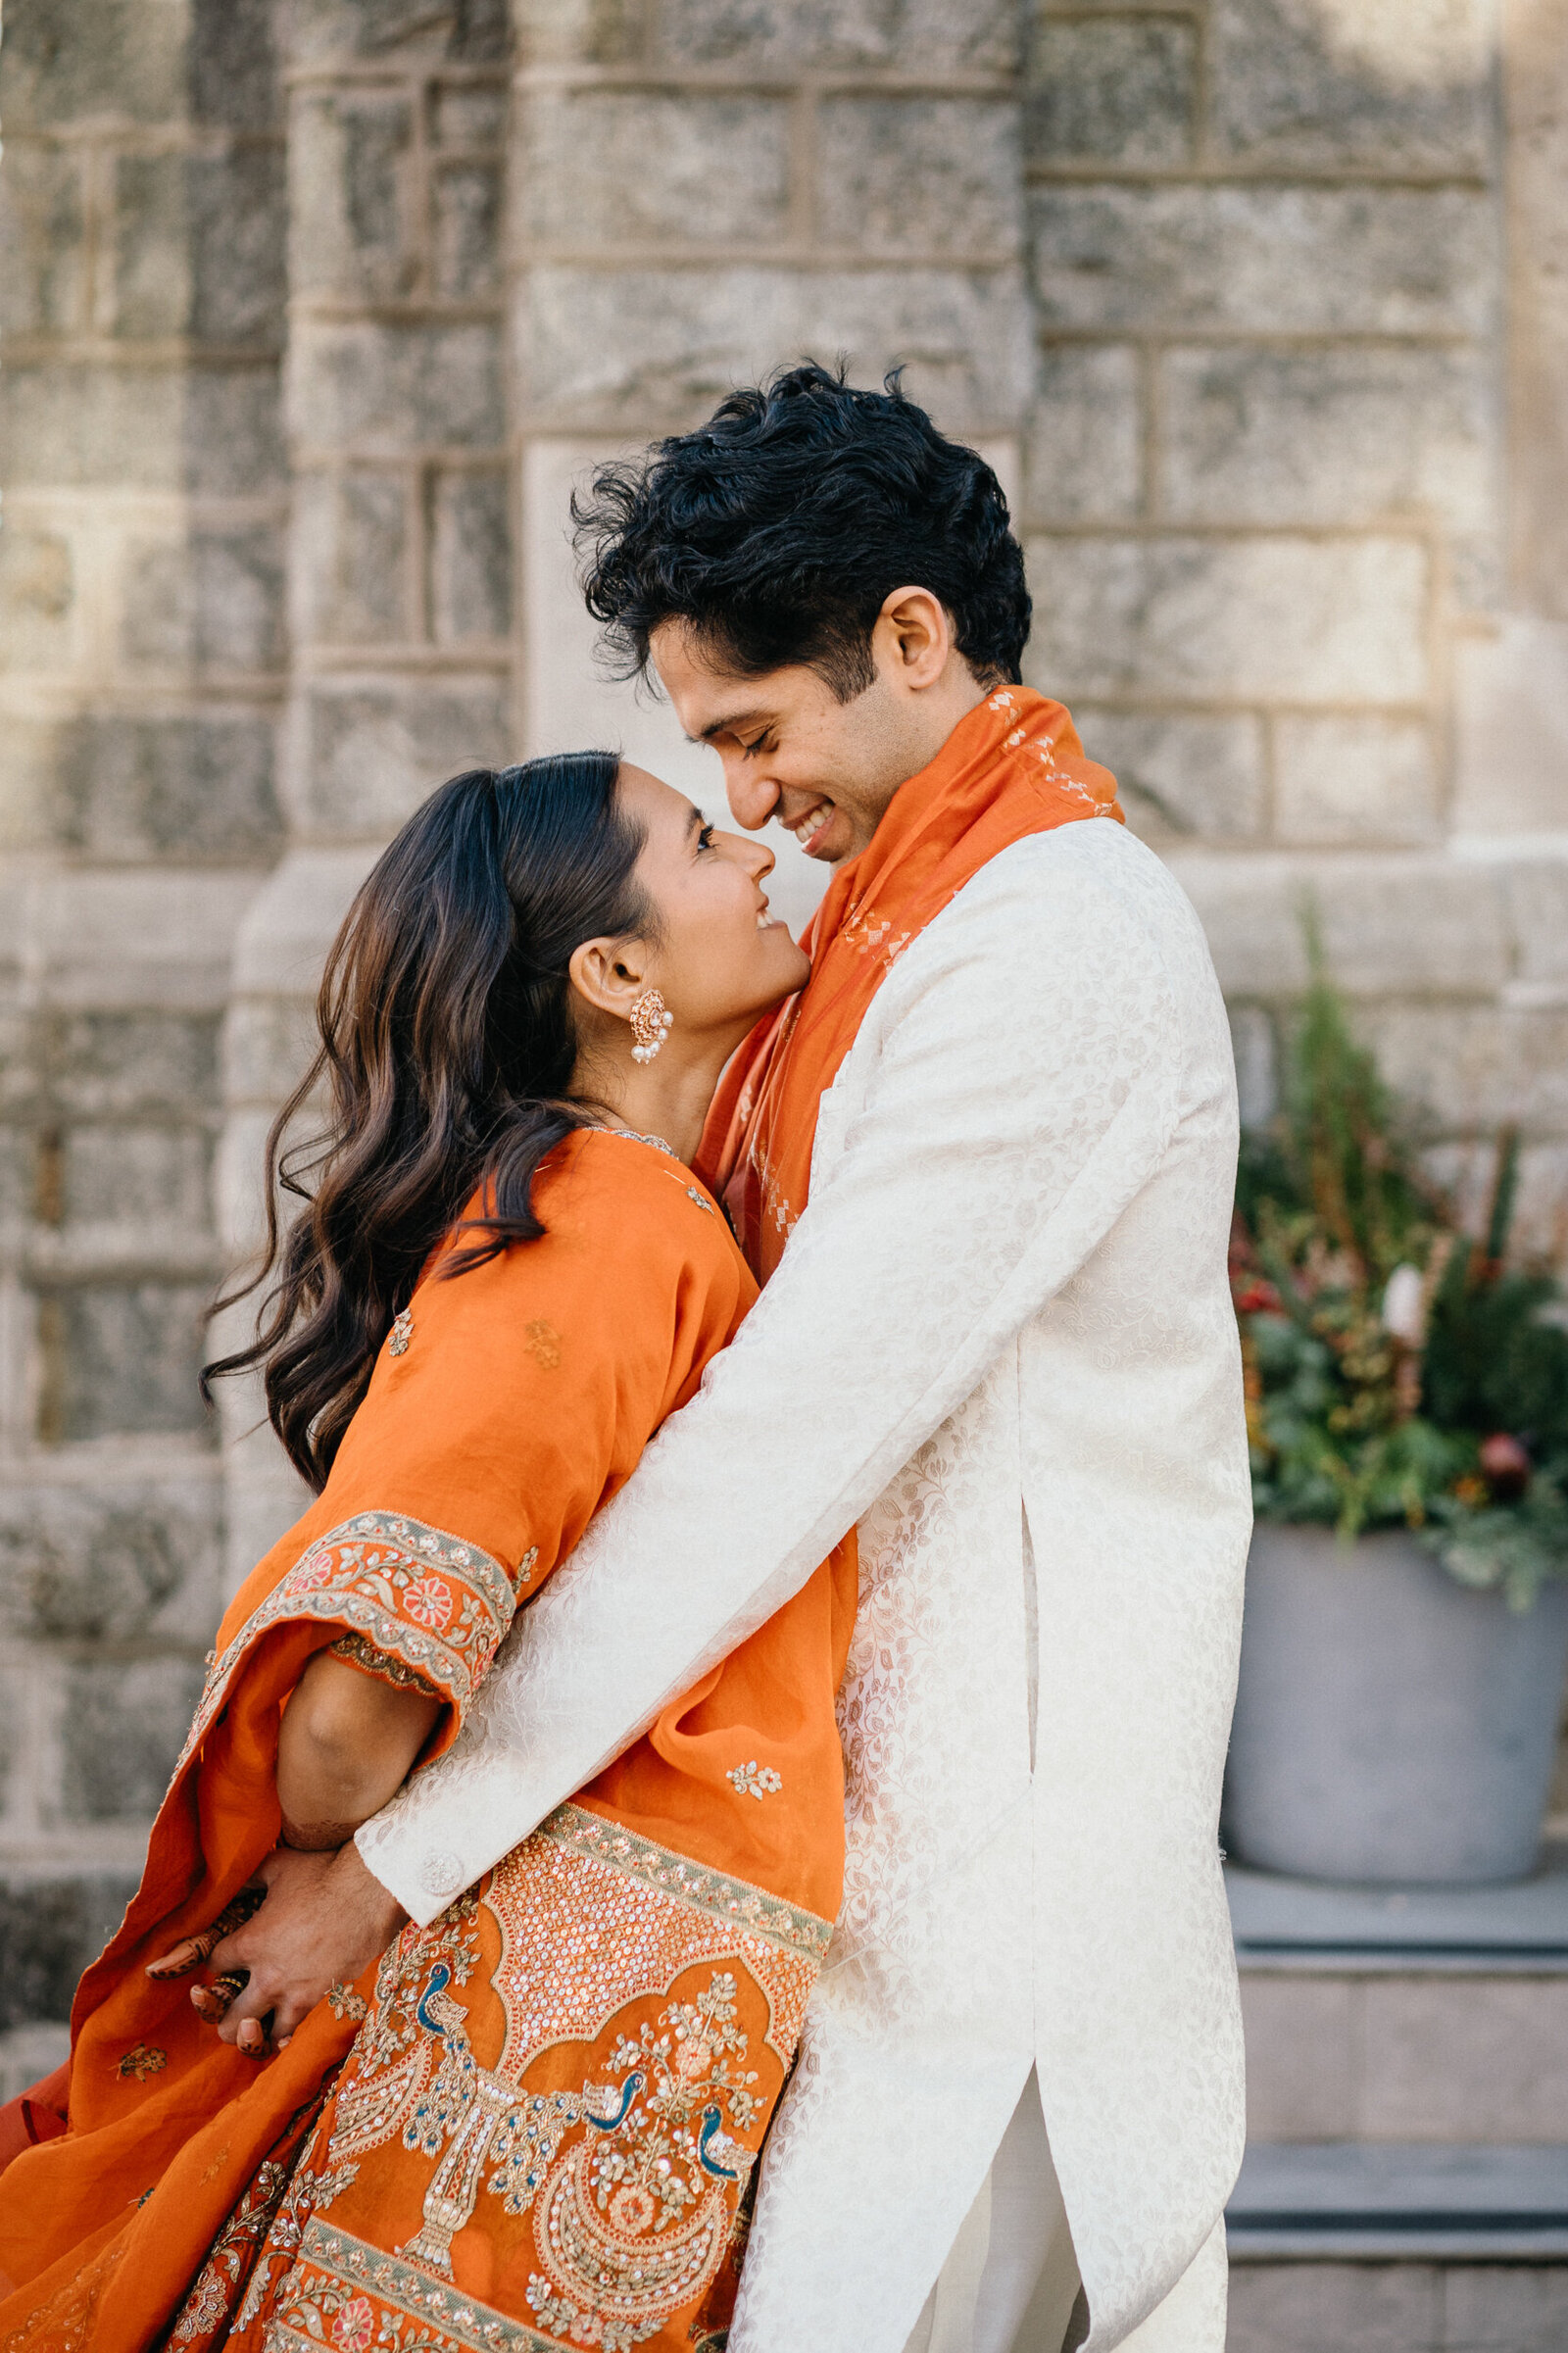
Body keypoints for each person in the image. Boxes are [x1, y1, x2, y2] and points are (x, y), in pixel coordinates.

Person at [195, 364, 1253, 2353]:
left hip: (990, 1917)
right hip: (840, 1893)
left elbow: (776, 1445)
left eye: (755, 737)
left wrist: (405, 1861)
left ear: (912, 640)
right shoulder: (896, 926)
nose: (752, 808)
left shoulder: (1050, 943)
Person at [0, 754, 858, 2353]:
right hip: (545, 2009)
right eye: (696, 838)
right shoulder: (598, 1222)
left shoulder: (626, 1208)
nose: (753, 851)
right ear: (614, 975)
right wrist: (351, 1860)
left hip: (600, 2000)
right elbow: (342, 1730)